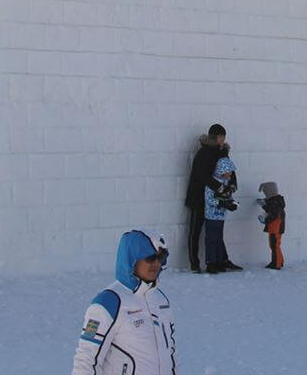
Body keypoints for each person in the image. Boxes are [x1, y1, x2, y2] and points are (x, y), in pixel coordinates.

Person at [70, 230, 178, 375]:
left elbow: (171, 354)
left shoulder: (161, 301)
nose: (156, 263)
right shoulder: (108, 303)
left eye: (161, 257)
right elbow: (85, 360)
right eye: (150, 258)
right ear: (132, 258)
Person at [185, 123, 242, 273]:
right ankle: (195, 263)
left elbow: (229, 171)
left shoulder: (222, 152)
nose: (223, 139)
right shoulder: (204, 152)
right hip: (198, 197)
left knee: (216, 230)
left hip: (216, 199)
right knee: (195, 230)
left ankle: (221, 260)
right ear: (215, 137)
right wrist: (220, 188)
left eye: (224, 137)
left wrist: (232, 186)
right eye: (221, 136)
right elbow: (202, 175)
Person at [204, 156, 238, 274]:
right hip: (211, 216)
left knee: (219, 239)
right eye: (229, 171)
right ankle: (211, 263)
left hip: (221, 216)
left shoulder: (226, 183)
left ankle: (219, 261)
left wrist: (231, 203)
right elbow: (209, 200)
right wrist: (222, 203)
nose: (230, 173)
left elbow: (228, 196)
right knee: (211, 239)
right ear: (222, 170)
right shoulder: (213, 183)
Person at [257, 181, 286, 269]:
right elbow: (270, 209)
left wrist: (265, 220)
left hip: (275, 228)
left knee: (274, 245)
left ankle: (276, 264)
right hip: (276, 227)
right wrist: (263, 205)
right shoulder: (276, 201)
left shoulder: (274, 203)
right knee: (275, 245)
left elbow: (273, 214)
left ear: (269, 192)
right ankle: (280, 261)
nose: (265, 194)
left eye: (265, 192)